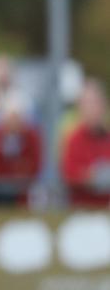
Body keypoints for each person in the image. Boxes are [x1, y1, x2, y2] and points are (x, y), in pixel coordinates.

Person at [0, 95, 42, 206]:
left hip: (23, 195)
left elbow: (34, 166)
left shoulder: (31, 138)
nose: (13, 123)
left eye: (16, 118)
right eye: (10, 118)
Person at [61, 78, 110, 208]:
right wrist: (91, 177)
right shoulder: (73, 140)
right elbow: (69, 175)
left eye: (95, 103)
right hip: (82, 211)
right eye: (86, 104)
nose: (91, 109)